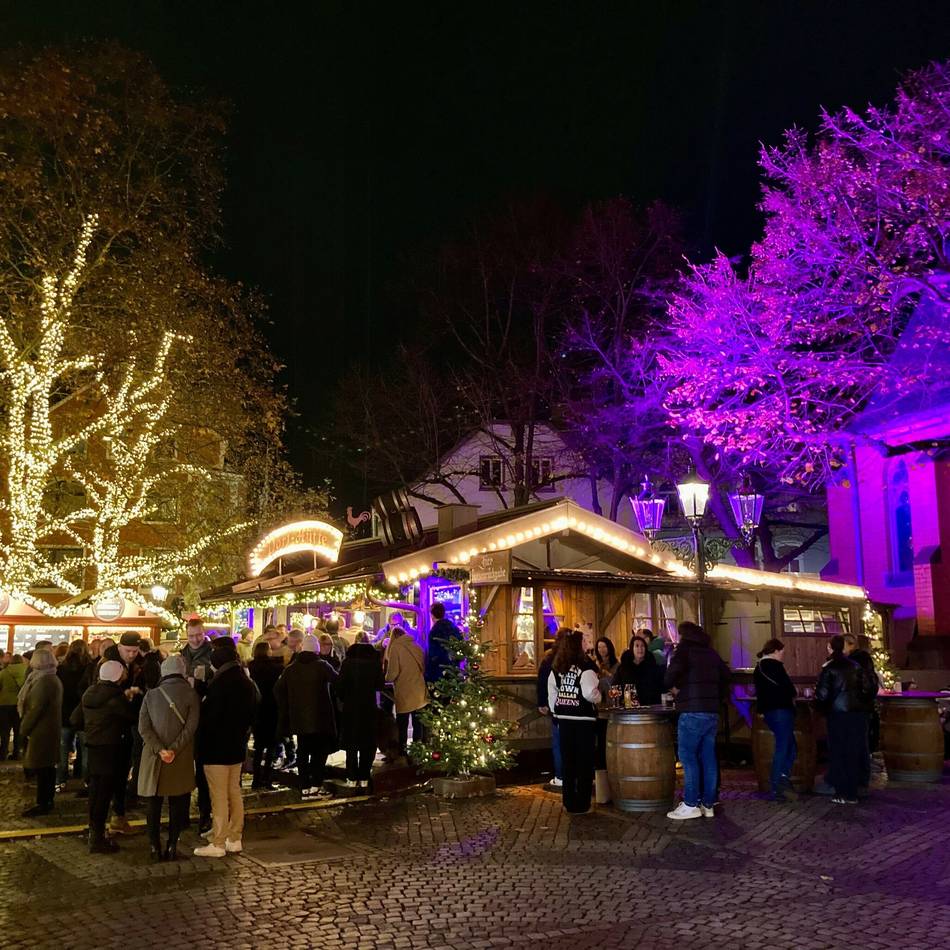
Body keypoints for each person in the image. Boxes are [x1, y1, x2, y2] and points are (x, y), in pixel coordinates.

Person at [194, 637, 258, 858]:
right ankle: (235, 837)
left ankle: (218, 843)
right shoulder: (244, 680)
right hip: (236, 746)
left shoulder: (221, 685)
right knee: (234, 792)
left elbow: (210, 717)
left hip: (216, 747)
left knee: (218, 795)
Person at [664, 621, 731, 820]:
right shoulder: (711, 653)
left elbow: (668, 678)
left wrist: (679, 689)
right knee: (708, 758)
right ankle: (708, 804)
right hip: (712, 712)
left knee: (688, 757)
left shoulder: (684, 652)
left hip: (691, 710)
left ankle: (691, 803)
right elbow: (727, 676)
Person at [138, 655, 200, 862]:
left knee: (153, 804)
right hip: (179, 757)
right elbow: (191, 727)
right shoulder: (191, 694)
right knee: (178, 803)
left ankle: (154, 847)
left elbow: (143, 728)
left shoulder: (152, 695)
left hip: (154, 757)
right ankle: (173, 845)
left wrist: (160, 749)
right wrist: (174, 749)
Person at [72, 660, 136, 853]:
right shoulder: (116, 697)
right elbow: (132, 717)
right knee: (104, 793)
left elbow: (75, 719)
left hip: (94, 747)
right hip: (111, 749)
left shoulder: (89, 693)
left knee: (95, 791)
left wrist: (92, 729)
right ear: (118, 676)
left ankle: (93, 830)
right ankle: (97, 838)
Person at [815, 634, 877, 805]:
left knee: (839, 752)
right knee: (853, 750)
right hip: (856, 713)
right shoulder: (856, 666)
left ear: (831, 648)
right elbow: (868, 688)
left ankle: (843, 792)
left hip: (838, 714)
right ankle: (854, 789)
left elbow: (822, 694)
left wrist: (821, 707)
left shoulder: (830, 668)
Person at [275, 634, 337, 799]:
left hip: (299, 719)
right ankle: (316, 785)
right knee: (319, 752)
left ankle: (304, 787)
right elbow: (338, 682)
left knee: (302, 751)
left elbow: (278, 689)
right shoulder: (322, 666)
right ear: (316, 650)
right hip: (321, 717)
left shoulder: (291, 669)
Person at [547, 629, 601, 815]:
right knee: (584, 763)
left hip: (564, 719)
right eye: (584, 641)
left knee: (568, 762)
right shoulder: (586, 668)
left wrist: (557, 709)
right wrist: (599, 697)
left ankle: (569, 802)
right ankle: (582, 803)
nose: (587, 644)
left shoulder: (558, 666)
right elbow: (589, 693)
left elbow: (551, 689)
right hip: (583, 719)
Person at [18, 649, 63, 817]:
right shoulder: (48, 678)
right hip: (46, 729)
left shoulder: (45, 681)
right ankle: (44, 800)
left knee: (44, 768)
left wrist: (24, 728)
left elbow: (36, 708)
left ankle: (44, 802)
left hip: (42, 731)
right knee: (45, 767)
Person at [336, 637, 385, 788]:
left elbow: (340, 686)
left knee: (351, 744)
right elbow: (380, 685)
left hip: (351, 708)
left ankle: (352, 776)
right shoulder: (374, 664)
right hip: (368, 707)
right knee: (368, 743)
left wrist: (344, 700)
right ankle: (364, 776)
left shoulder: (347, 664)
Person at [753, 638, 798, 802]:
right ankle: (778, 782)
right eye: (782, 652)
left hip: (769, 711)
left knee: (788, 746)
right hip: (781, 710)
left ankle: (781, 779)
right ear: (776, 651)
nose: (783, 656)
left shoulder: (759, 667)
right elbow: (789, 688)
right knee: (785, 746)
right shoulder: (775, 666)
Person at [844, 632, 880, 793]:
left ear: (850, 644)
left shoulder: (854, 662)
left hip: (856, 707)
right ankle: (861, 778)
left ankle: (857, 779)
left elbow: (864, 685)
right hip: (863, 706)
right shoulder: (863, 660)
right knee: (861, 742)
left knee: (856, 743)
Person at [385, 626, 427, 757]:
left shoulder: (395, 648)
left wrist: (385, 679)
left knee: (402, 724)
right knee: (417, 723)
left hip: (404, 690)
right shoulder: (417, 646)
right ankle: (417, 750)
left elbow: (392, 673)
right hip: (419, 690)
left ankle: (402, 752)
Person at [56, 639, 90, 788]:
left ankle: (61, 780)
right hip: (83, 713)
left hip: (65, 712)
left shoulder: (61, 668)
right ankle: (86, 781)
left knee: (63, 749)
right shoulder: (89, 667)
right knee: (85, 750)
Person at [248, 642, 282, 790]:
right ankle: (267, 778)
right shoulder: (276, 668)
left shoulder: (251, 667)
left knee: (259, 746)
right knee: (271, 747)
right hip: (272, 709)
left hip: (257, 710)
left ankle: (256, 779)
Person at [537, 629, 568, 789]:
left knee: (558, 742)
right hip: (570, 706)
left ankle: (560, 776)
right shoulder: (570, 658)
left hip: (556, 705)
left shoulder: (549, 657)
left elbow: (542, 681)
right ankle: (568, 774)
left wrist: (543, 702)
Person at [613, 636, 664, 706]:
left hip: (651, 707)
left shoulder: (652, 667)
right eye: (637, 646)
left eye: (642, 646)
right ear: (632, 649)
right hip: (629, 708)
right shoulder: (623, 668)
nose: (640, 649)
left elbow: (660, 687)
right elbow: (616, 687)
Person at [425, 602, 462, 686]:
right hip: (454, 670)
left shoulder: (434, 631)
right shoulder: (453, 628)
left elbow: (433, 655)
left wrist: (428, 673)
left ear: (432, 615)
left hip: (439, 672)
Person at [0, 654, 27, 760]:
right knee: (18, 730)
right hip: (20, 705)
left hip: (4, 704)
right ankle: (17, 753)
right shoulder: (26, 672)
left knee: (4, 731)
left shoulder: (4, 672)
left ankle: (3, 753)